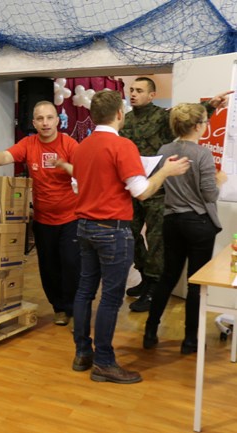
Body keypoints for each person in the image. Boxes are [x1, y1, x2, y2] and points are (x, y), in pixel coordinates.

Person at [71, 90, 190, 384]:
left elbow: (77, 187)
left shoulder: (81, 147)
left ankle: (83, 353)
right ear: (120, 114)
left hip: (85, 226)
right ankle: (104, 363)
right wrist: (166, 172)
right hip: (112, 230)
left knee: (85, 292)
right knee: (111, 298)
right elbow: (142, 191)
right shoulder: (122, 146)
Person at [120, 77, 231, 313]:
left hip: (159, 192)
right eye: (131, 89)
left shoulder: (162, 117)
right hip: (134, 187)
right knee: (131, 234)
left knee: (157, 240)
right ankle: (144, 276)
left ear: (151, 95)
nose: (133, 94)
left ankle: (153, 287)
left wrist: (211, 105)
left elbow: (188, 120)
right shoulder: (126, 120)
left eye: (139, 90)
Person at [0, 101, 80, 327]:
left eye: (49, 117)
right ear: (34, 122)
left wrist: (66, 166)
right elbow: (6, 156)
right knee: (48, 267)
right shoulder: (28, 143)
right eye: (40, 118)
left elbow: (85, 171)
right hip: (43, 220)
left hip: (71, 218)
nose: (45, 122)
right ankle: (59, 308)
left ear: (58, 120)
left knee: (71, 264)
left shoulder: (69, 144)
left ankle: (74, 306)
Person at [143, 103, 227, 354]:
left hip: (172, 222)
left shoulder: (164, 149)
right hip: (198, 224)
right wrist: (219, 180)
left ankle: (150, 331)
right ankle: (190, 340)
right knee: (195, 283)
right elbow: (209, 194)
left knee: (168, 276)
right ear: (198, 126)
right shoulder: (202, 154)